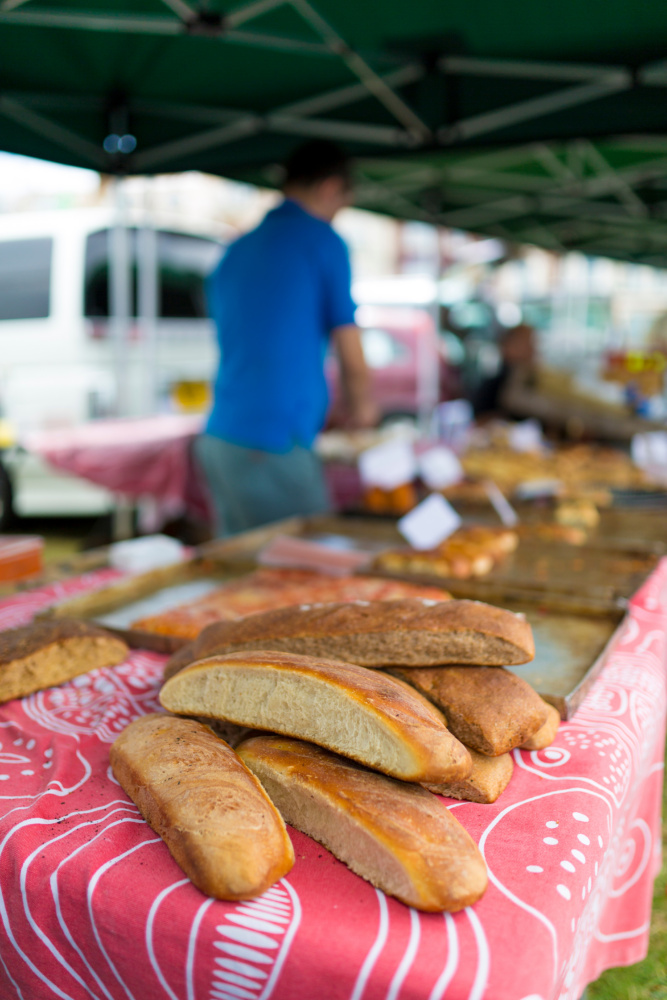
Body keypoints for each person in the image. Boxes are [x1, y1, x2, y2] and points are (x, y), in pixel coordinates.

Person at [195, 140, 378, 536]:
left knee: (241, 577)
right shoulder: (323, 242)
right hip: (271, 441)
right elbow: (350, 350)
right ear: (330, 188)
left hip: (221, 438)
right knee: (312, 569)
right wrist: (362, 410)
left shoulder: (236, 250)